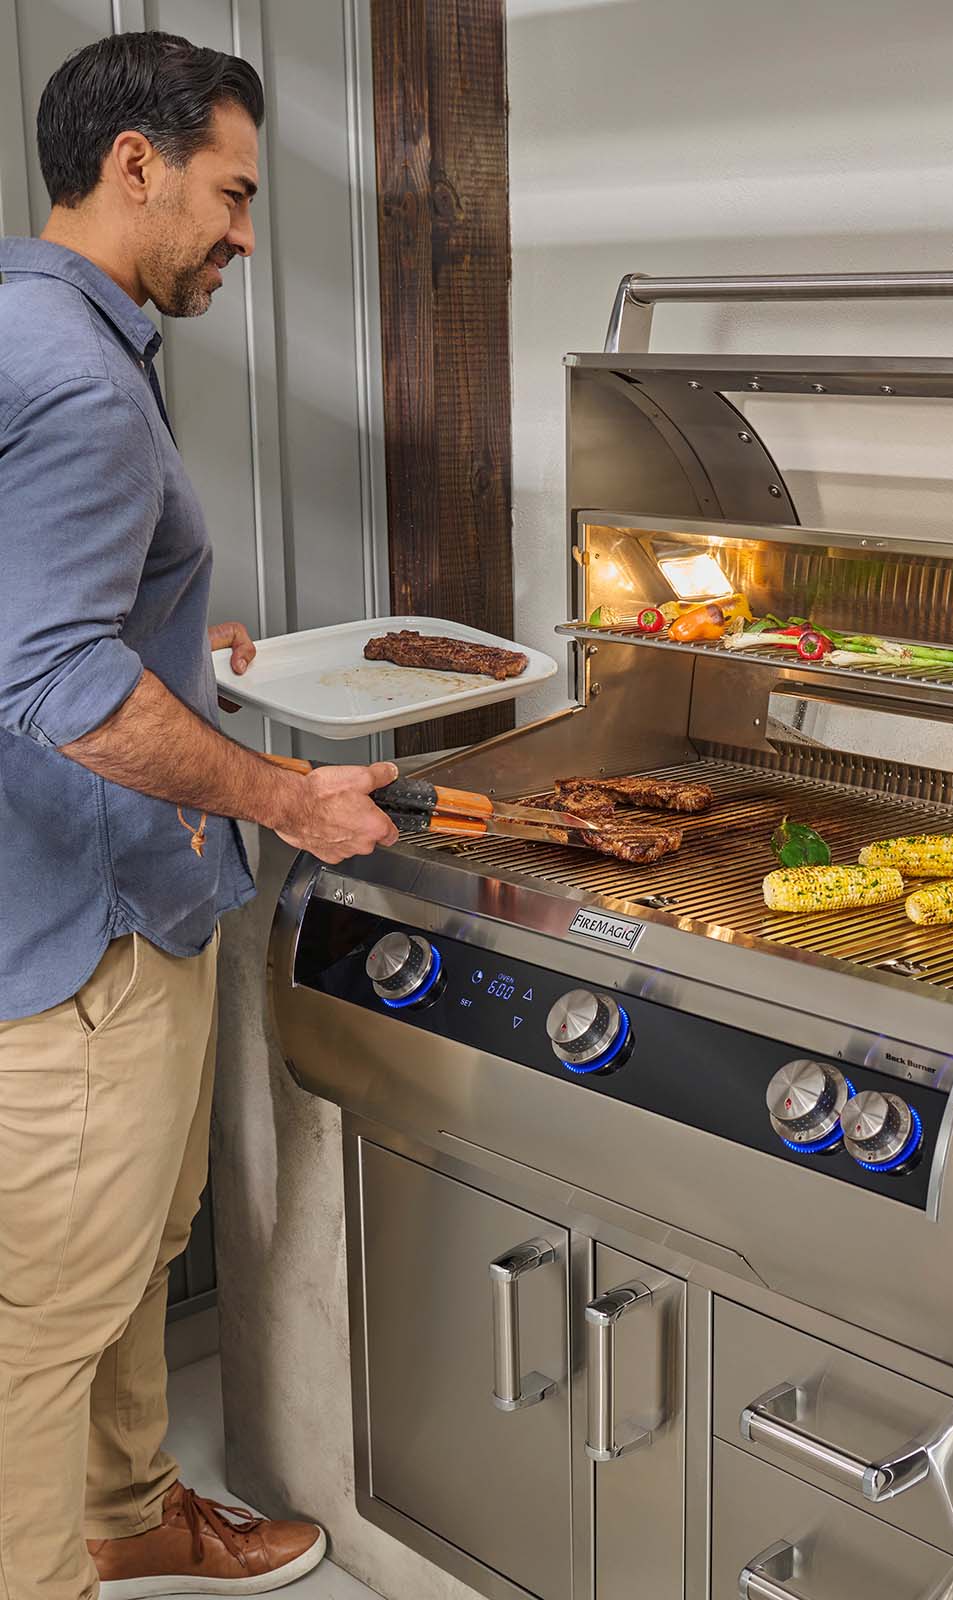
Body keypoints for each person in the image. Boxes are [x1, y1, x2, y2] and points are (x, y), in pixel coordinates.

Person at [0, 30, 399, 1600]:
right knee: (44, 1322)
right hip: (78, 947)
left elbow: (36, 608)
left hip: (93, 916)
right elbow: (56, 678)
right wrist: (285, 791)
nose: (244, 233)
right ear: (133, 165)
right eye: (231, 193)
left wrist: (184, 642)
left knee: (128, 1268)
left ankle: (129, 1509)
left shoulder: (21, 328)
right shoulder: (81, 377)